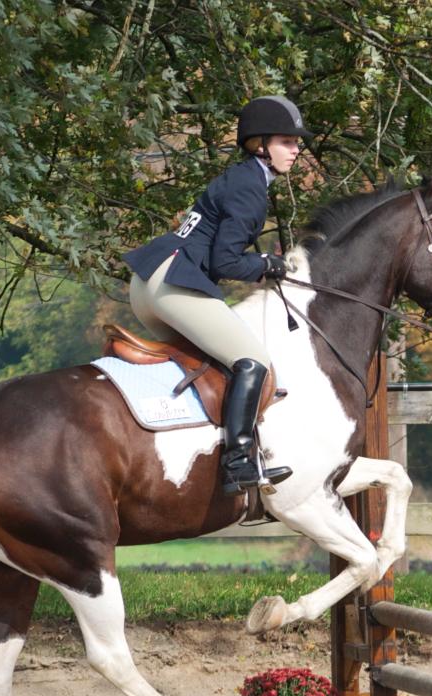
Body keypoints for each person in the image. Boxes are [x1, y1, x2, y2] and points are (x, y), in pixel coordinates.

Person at [122, 96, 310, 496]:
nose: (296, 150)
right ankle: (238, 462)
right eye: (287, 142)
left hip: (149, 282)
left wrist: (260, 262)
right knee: (253, 360)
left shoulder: (240, 178)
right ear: (260, 144)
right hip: (174, 284)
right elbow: (225, 263)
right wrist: (267, 266)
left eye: (297, 143)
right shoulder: (250, 190)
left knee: (211, 364)